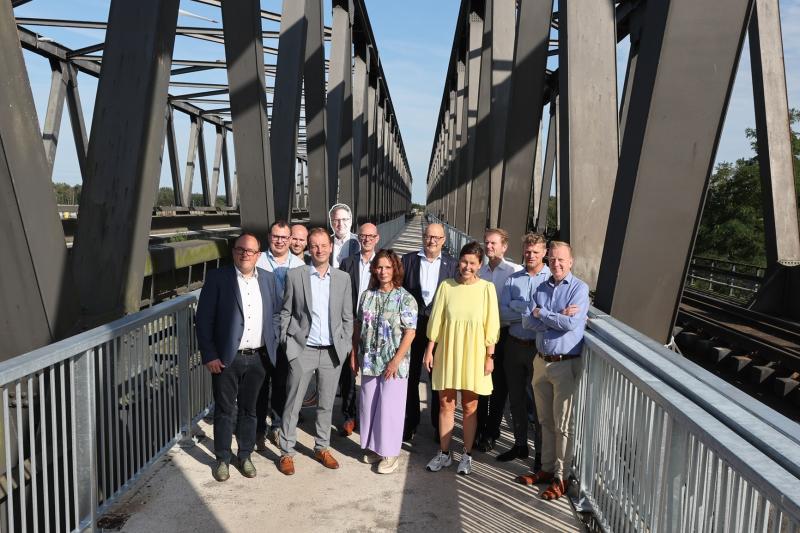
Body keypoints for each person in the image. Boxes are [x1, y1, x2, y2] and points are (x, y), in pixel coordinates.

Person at [195, 233, 280, 482]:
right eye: (240, 249)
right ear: (233, 252)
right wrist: (209, 354)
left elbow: (275, 313)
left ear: (258, 255)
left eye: (250, 251)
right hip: (226, 358)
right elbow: (203, 320)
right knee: (224, 410)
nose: (245, 254)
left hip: (258, 358)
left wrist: (271, 341)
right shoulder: (218, 278)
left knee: (250, 410)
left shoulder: (268, 279)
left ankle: (245, 455)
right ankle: (222, 459)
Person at [277, 228, 354, 475]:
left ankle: (322, 447)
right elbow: (286, 312)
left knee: (326, 404)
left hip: (332, 352)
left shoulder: (343, 279)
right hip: (303, 350)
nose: (319, 249)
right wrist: (287, 344)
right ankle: (286, 452)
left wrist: (345, 346)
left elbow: (347, 317)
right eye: (314, 245)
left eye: (323, 245)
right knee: (293, 404)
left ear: (331, 247)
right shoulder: (295, 275)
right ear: (309, 248)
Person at [517, 241, 588, 501]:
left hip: (565, 363)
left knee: (563, 425)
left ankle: (561, 477)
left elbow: (570, 324)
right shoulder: (540, 286)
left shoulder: (580, 289)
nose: (556, 264)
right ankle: (546, 470)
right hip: (541, 361)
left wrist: (543, 313)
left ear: (571, 262)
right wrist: (554, 315)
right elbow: (527, 320)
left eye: (561, 260)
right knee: (545, 420)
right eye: (553, 260)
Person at [423, 241, 500, 475]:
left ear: (480, 265)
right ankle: (444, 454)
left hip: (475, 353)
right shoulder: (446, 286)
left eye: (472, 263)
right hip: (448, 351)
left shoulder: (487, 288)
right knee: (446, 404)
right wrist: (429, 349)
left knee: (470, 406)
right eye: (464, 261)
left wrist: (490, 356)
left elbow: (492, 325)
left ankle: (466, 454)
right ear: (459, 261)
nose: (467, 267)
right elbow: (436, 320)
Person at [350, 250, 417, 474]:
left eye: (388, 267)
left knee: (390, 408)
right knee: (369, 405)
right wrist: (353, 353)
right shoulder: (367, 296)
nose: (383, 272)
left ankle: (390, 453)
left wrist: (395, 361)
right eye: (379, 267)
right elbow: (358, 325)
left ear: (395, 269)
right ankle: (376, 447)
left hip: (394, 363)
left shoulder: (405, 298)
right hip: (370, 359)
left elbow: (410, 333)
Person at [400, 222, 458, 442]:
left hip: (440, 328)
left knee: (438, 378)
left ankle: (437, 425)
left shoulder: (452, 266)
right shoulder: (408, 260)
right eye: (428, 236)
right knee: (411, 376)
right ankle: (410, 422)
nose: (432, 241)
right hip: (413, 327)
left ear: (443, 240)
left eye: (436, 237)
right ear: (423, 237)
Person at [497, 233, 550, 465]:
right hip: (513, 345)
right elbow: (501, 312)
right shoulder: (513, 278)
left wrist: (517, 309)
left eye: (536, 252)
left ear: (545, 253)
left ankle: (540, 452)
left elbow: (548, 316)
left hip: (537, 349)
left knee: (538, 403)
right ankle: (520, 445)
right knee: (516, 398)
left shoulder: (552, 280)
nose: (530, 255)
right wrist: (529, 312)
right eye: (528, 251)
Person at [253, 220, 306, 449]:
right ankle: (257, 429)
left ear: (290, 239)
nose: (280, 241)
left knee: (282, 379)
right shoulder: (258, 261)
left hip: (288, 328)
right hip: (262, 326)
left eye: (285, 237)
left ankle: (277, 425)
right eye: (276, 236)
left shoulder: (299, 265)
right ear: (269, 237)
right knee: (261, 379)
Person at [475, 228, 522, 452]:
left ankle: (491, 431)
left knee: (499, 386)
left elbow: (523, 311)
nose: (489, 247)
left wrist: (503, 313)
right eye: (486, 243)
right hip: (479, 336)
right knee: (480, 383)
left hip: (504, 335)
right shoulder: (478, 271)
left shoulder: (515, 272)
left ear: (504, 247)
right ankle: (480, 427)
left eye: (494, 243)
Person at [338, 223, 381, 435]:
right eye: (363, 235)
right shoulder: (347, 263)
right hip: (349, 323)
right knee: (349, 371)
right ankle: (348, 415)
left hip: (373, 327)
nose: (366, 239)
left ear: (377, 238)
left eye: (370, 236)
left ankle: (367, 415)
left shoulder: (382, 264)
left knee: (370, 371)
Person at [328, 203, 359, 268]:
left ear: (350, 221)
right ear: (331, 222)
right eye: (336, 220)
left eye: (344, 219)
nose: (340, 224)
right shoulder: (326, 242)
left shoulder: (360, 242)